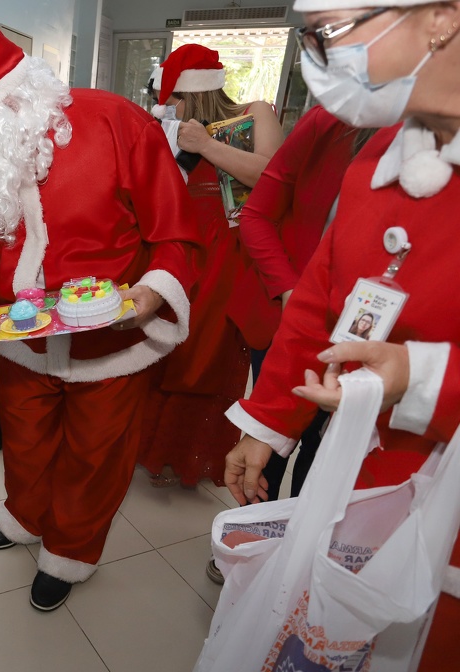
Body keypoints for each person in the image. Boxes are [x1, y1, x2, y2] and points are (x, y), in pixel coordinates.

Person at [0, 16, 202, 611]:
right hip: (22, 341)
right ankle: (24, 519)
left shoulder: (115, 122)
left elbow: (176, 231)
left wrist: (151, 293)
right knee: (26, 442)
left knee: (94, 456)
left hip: (110, 343)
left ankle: (70, 552)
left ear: (12, 100)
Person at [223, 0, 460, 667]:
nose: (320, 63)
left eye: (328, 34)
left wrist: (423, 377)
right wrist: (265, 426)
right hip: (366, 489)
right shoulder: (381, 153)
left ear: (440, 17)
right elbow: (322, 303)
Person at [139, 43, 286, 488]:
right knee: (170, 350)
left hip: (234, 254)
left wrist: (205, 144)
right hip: (185, 250)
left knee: (211, 354)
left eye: (177, 98)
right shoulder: (173, 132)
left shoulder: (256, 112)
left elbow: (271, 178)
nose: (172, 107)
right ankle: (155, 451)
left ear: (194, 94)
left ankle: (194, 456)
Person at [240, 105, 373, 509]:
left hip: (368, 345)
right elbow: (257, 212)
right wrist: (289, 289)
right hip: (291, 327)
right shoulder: (328, 123)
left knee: (324, 464)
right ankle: (250, 542)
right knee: (267, 450)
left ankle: (298, 551)